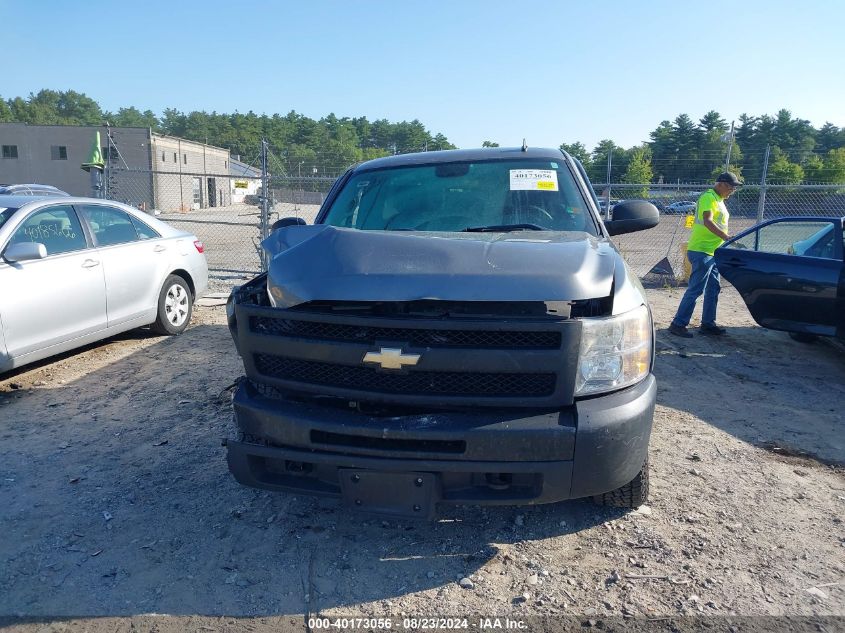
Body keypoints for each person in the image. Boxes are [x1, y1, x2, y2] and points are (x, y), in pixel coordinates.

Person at [668, 172, 742, 338]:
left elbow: (717, 222)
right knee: (696, 289)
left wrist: (723, 241)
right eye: (731, 187)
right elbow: (707, 220)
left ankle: (708, 324)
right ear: (721, 184)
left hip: (713, 251)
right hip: (702, 251)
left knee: (713, 288)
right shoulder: (709, 197)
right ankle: (678, 324)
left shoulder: (719, 200)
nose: (732, 190)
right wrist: (725, 237)